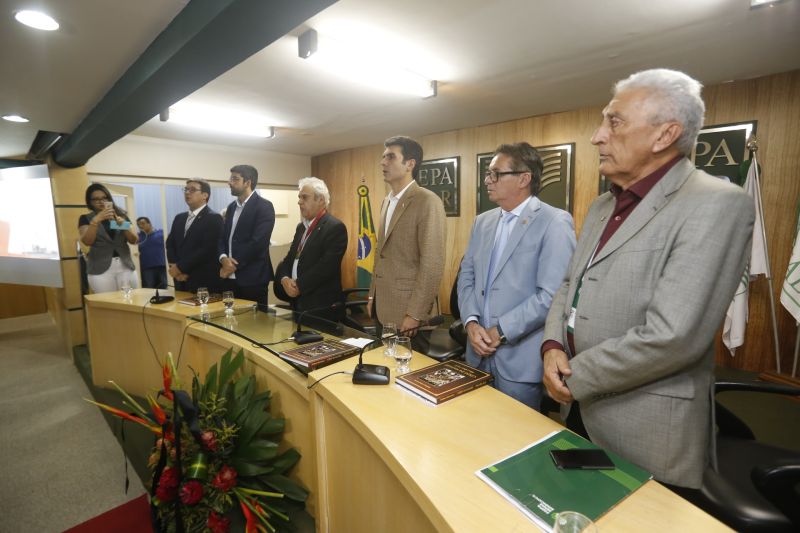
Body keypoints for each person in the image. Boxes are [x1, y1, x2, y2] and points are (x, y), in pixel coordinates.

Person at [542, 69, 755, 491]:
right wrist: (552, 347)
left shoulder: (716, 204)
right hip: (578, 408)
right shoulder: (603, 206)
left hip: (644, 426)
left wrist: (573, 376)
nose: (597, 136)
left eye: (614, 122)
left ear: (664, 135)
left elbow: (673, 336)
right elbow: (569, 285)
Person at [458, 142, 575, 410]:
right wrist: (471, 323)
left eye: (496, 174)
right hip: (476, 353)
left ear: (524, 179)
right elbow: (467, 277)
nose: (488, 180)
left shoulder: (554, 222)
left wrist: (500, 331)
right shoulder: (482, 222)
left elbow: (552, 294)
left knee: (514, 432)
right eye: (488, 173)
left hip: (519, 361)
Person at [367, 136, 446, 354]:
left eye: (390, 157)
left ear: (410, 164)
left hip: (409, 315)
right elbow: (381, 253)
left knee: (409, 371)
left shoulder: (427, 201)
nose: (383, 162)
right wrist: (372, 295)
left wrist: (415, 314)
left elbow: (432, 264)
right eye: (383, 157)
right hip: (382, 308)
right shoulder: (387, 201)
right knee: (385, 366)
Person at [274, 177, 348, 324]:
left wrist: (299, 286)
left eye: (304, 197)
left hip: (320, 306)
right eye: (299, 197)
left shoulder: (335, 227)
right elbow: (289, 259)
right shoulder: (301, 227)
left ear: (320, 200)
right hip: (297, 303)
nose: (299, 202)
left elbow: (325, 267)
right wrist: (285, 279)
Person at [218, 164, 275, 308]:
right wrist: (223, 258)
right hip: (229, 278)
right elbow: (222, 238)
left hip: (253, 278)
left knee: (256, 320)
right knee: (230, 317)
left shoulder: (264, 206)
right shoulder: (231, 207)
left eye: (235, 179)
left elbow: (258, 242)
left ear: (247, 183)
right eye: (230, 178)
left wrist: (232, 265)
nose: (230, 182)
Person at [166, 179, 224, 293]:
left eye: (192, 190)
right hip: (179, 279)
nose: (187, 192)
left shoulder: (214, 218)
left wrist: (180, 268)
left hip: (201, 279)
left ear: (205, 195)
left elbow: (207, 249)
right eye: (186, 189)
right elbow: (170, 244)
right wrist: (174, 267)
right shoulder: (179, 218)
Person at [78, 183, 139, 293]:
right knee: (106, 301)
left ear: (109, 199)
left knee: (130, 299)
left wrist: (124, 226)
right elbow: (87, 241)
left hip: (125, 265)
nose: (101, 201)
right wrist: (96, 221)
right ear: (90, 202)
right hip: (99, 268)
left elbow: (134, 240)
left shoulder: (121, 216)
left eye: (104, 198)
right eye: (96, 199)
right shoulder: (86, 218)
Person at [136, 217, 167, 289]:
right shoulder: (138, 237)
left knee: (164, 287)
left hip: (162, 266)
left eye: (142, 223)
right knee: (148, 288)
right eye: (138, 225)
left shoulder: (161, 233)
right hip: (147, 268)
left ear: (149, 224)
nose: (140, 226)